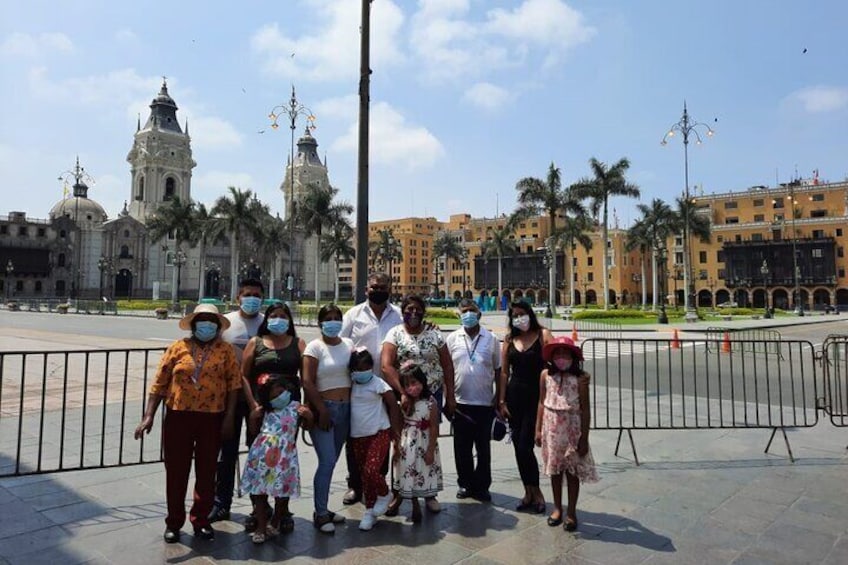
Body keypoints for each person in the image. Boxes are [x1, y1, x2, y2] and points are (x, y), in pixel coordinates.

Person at [134, 304, 241, 544]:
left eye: (211, 321)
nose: (207, 325)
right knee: (176, 471)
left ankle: (201, 520)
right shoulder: (177, 347)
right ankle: (173, 522)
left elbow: (234, 386)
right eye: (202, 320)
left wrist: (229, 418)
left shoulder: (225, 351)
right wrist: (148, 415)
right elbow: (159, 383)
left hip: (212, 417)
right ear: (193, 325)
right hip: (178, 416)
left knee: (207, 471)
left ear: (217, 325)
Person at [382, 293, 455, 515]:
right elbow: (386, 366)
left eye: (417, 309)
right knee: (400, 445)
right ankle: (398, 493)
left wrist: (450, 396)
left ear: (424, 311)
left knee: (429, 442)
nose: (413, 313)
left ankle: (429, 492)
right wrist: (403, 392)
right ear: (402, 312)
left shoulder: (434, 333)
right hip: (403, 398)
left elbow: (448, 366)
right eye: (408, 309)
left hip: (431, 396)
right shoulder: (394, 333)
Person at [339, 272, 403, 506]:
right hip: (358, 387)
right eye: (374, 287)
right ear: (366, 289)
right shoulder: (353, 315)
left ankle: (378, 481)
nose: (378, 291)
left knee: (383, 436)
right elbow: (340, 346)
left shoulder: (398, 316)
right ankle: (355, 485)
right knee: (355, 438)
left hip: (387, 388)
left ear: (390, 289)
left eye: (383, 287)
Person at [210, 278, 265, 524]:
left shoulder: (268, 324)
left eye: (256, 295)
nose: (251, 299)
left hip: (259, 400)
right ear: (237, 298)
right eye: (247, 294)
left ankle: (259, 507)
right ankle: (221, 503)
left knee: (258, 453)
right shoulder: (226, 323)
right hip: (228, 398)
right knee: (225, 454)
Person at [240, 373, 313, 544]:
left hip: (285, 457)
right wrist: (252, 418)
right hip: (262, 455)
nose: (280, 397)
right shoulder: (264, 410)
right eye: (275, 396)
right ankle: (261, 525)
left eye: (282, 392)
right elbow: (253, 431)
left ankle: (276, 521)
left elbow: (307, 427)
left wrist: (309, 416)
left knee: (282, 492)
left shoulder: (296, 407)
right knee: (259, 491)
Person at [535, 336, 598, 531]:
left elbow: (586, 409)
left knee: (572, 472)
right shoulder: (546, 375)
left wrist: (584, 438)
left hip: (572, 429)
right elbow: (541, 402)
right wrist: (538, 429)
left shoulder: (580, 379)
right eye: (557, 354)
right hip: (552, 429)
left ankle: (571, 512)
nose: (561, 357)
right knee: (555, 470)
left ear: (573, 357)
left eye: (565, 353)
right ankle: (557, 508)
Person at [302, 303, 354, 533]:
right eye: (328, 318)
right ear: (320, 323)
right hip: (325, 409)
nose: (333, 322)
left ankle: (323, 507)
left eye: (336, 318)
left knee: (332, 461)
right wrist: (320, 409)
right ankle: (321, 514)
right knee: (327, 461)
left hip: (347, 409)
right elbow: (307, 380)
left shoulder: (349, 344)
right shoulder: (314, 347)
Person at [497, 300, 552, 515]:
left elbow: (554, 364)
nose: (519, 317)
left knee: (524, 446)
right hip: (514, 398)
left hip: (536, 398)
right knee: (518, 449)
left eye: (522, 313)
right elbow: (503, 372)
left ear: (530, 313)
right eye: (515, 315)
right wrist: (501, 401)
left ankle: (537, 492)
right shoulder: (510, 339)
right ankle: (527, 492)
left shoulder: (543, 335)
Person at [446, 298, 501, 502]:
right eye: (464, 311)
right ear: (459, 314)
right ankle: (465, 484)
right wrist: (448, 396)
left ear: (479, 314)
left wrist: (499, 397)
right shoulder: (452, 338)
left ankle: (482, 486)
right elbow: (447, 370)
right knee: (462, 448)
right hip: (460, 402)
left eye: (472, 310)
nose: (468, 314)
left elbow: (499, 369)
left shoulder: (491, 339)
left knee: (483, 449)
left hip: (485, 402)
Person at [349, 348, 401, 531]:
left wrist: (395, 431)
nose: (362, 372)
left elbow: (393, 405)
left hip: (379, 432)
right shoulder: (351, 384)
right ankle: (369, 511)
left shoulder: (378, 383)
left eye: (366, 368)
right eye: (358, 368)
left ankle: (385, 493)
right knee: (365, 476)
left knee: (372, 470)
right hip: (357, 435)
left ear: (371, 367)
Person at [392, 361, 443, 523]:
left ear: (422, 381)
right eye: (407, 385)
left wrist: (430, 450)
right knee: (407, 470)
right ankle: (408, 501)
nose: (411, 388)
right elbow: (400, 423)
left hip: (424, 443)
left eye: (414, 383)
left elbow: (434, 427)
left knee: (421, 471)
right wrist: (396, 445)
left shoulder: (431, 403)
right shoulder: (405, 403)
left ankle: (422, 500)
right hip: (408, 443)